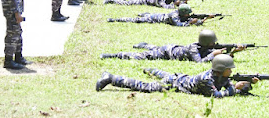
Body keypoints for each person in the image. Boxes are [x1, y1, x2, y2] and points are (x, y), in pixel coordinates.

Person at [96, 54, 259, 98]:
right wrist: (235, 91)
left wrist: (247, 84)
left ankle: (148, 68)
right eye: (229, 69)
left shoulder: (218, 76)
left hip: (179, 78)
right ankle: (110, 77)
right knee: (144, 86)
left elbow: (228, 84)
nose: (231, 72)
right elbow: (216, 95)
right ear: (221, 69)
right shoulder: (207, 79)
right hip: (175, 85)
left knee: (160, 73)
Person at [100, 29, 245, 61]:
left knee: (152, 47)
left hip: (173, 47)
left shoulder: (204, 48)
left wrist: (232, 53)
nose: (215, 45)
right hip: (167, 52)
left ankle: (144, 44)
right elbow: (200, 63)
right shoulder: (194, 49)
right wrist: (214, 54)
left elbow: (212, 56)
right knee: (140, 56)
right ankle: (113, 55)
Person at [107, 4, 214, 27]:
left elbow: (193, 20)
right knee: (136, 20)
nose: (188, 15)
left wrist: (204, 19)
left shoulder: (181, 15)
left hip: (157, 15)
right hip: (154, 19)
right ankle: (115, 19)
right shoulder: (174, 16)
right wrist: (191, 22)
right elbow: (179, 25)